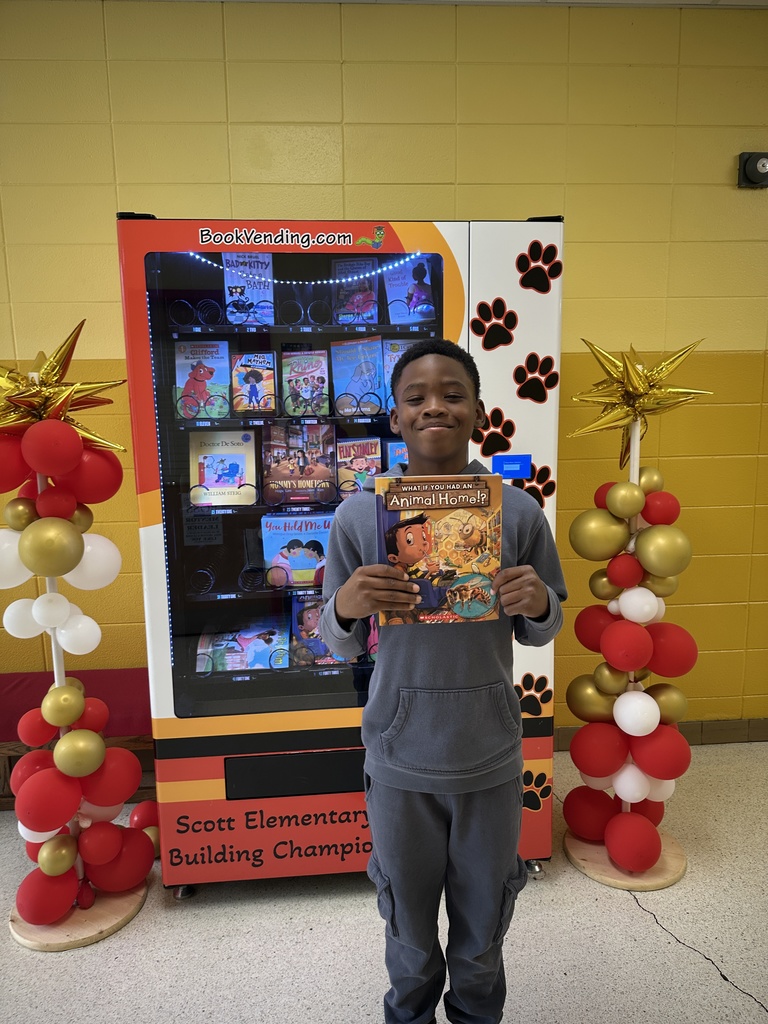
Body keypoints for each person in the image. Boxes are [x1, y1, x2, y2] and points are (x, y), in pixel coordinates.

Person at [319, 338, 566, 1024]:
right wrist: (346, 605)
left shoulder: (516, 512)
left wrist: (538, 601)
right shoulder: (356, 517)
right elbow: (331, 637)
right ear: (393, 417)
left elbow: (546, 625)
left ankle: (477, 1012)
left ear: (480, 412)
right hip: (398, 758)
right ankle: (410, 1015)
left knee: (483, 925)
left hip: (488, 756)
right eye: (416, 397)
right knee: (407, 929)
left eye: (453, 394)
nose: (435, 406)